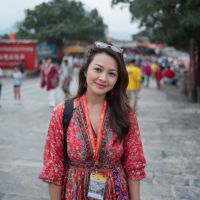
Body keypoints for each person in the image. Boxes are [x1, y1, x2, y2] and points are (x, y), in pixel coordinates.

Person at [39, 41, 146, 200]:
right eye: (98, 69)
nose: (103, 78)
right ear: (85, 71)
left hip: (116, 194)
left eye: (112, 73)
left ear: (118, 79)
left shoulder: (126, 114)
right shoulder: (62, 112)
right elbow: (54, 167)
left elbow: (134, 165)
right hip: (74, 193)